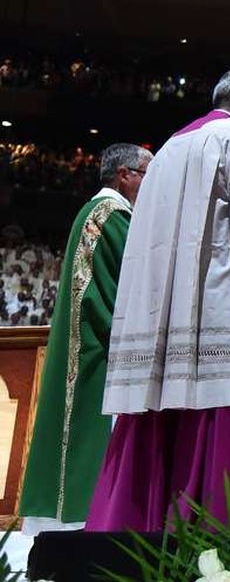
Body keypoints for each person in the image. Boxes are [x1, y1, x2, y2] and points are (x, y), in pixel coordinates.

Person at [86, 68, 230, 531]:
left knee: (156, 421)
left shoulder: (166, 150)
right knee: (215, 418)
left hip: (159, 313)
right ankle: (208, 546)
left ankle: (134, 536)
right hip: (216, 307)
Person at [18, 143, 152, 536]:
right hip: (98, 352)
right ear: (125, 175)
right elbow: (135, 287)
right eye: (148, 173)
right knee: (91, 442)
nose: (152, 182)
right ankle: (86, 526)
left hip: (90, 343)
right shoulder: (112, 216)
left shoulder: (96, 212)